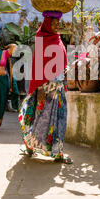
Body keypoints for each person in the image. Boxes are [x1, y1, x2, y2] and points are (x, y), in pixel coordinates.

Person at [18, 11, 73, 164]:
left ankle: (57, 152)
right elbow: (37, 64)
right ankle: (30, 145)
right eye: (54, 24)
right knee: (38, 118)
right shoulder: (41, 38)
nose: (57, 27)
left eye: (58, 24)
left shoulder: (57, 39)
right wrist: (40, 88)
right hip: (45, 88)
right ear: (47, 24)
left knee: (58, 120)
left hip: (59, 87)